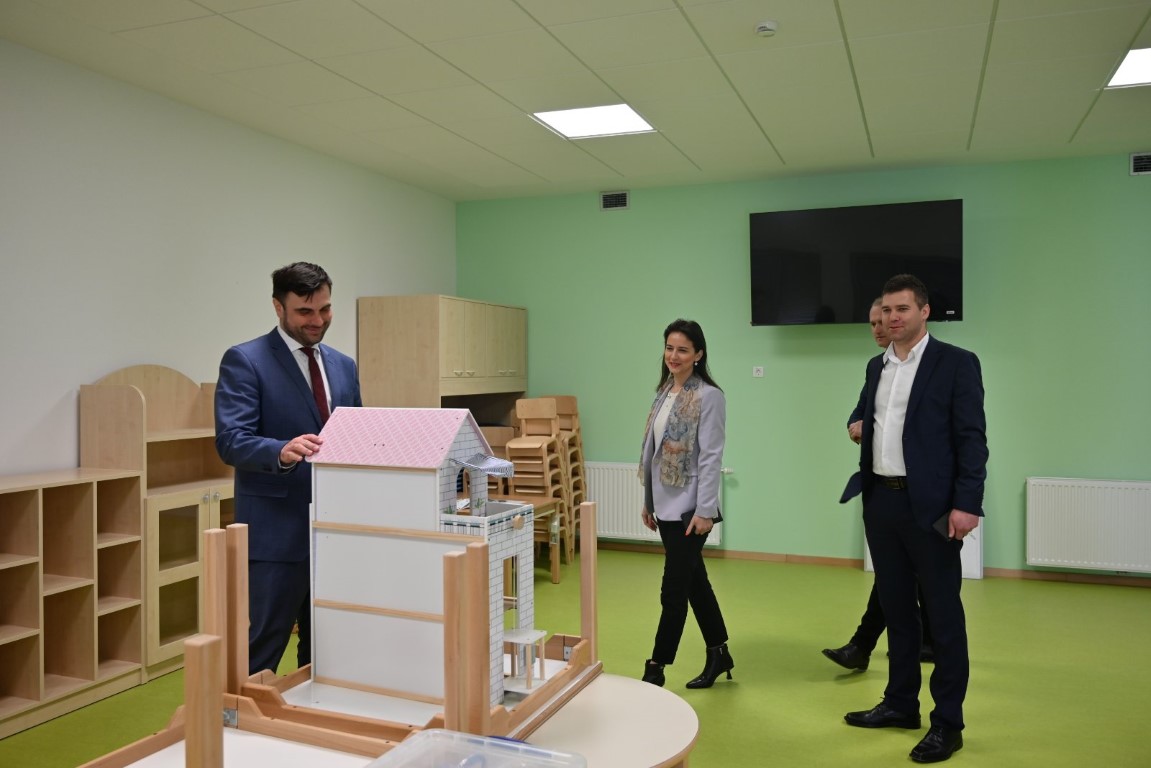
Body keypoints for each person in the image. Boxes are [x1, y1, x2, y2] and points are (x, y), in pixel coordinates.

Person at [843, 275, 987, 764]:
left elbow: (972, 439)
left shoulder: (956, 363)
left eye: (902, 309)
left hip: (933, 509)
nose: (892, 318)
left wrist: (967, 503)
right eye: (886, 310)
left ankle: (948, 723)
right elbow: (869, 420)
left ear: (924, 311)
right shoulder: (876, 366)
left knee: (942, 618)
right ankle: (901, 703)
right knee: (898, 610)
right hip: (882, 503)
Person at [215, 262, 362, 675]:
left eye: (325, 309)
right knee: (263, 645)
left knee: (326, 645)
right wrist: (281, 450)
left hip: (335, 531)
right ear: (278, 307)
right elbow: (231, 440)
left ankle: (314, 710)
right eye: (305, 312)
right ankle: (236, 713)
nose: (318, 320)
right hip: (276, 534)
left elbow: (355, 433)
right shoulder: (246, 360)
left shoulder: (344, 365)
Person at [823, 298, 934, 672]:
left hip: (923, 493)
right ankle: (903, 643)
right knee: (900, 575)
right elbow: (858, 415)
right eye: (873, 322)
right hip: (883, 491)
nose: (879, 328)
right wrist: (857, 426)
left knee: (901, 576)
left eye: (884, 319)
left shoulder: (932, 367)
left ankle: (864, 645)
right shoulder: (877, 369)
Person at [638, 319, 732, 690]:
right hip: (664, 506)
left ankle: (656, 668)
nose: (674, 356)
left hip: (691, 510)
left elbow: (710, 456)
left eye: (682, 350)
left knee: (673, 590)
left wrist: (705, 511)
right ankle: (719, 652)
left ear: (698, 354)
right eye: (669, 348)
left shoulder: (709, 396)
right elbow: (653, 453)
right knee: (695, 583)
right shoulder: (665, 391)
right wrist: (648, 502)